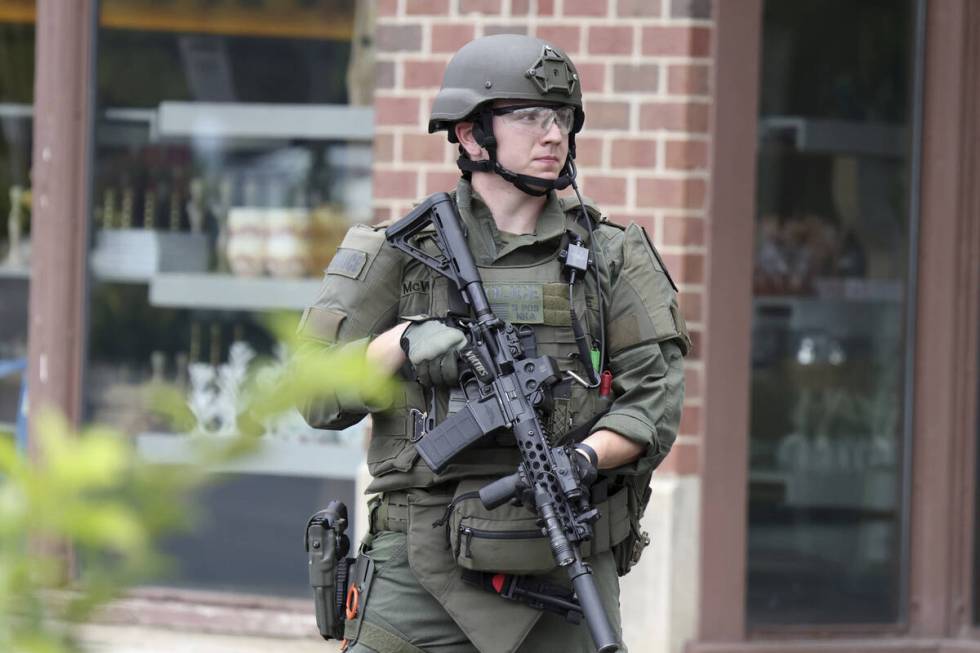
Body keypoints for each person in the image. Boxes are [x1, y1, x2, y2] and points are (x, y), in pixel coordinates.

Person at [298, 34, 690, 653]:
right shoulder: (400, 252)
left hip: (562, 555)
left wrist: (584, 458)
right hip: (418, 569)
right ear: (470, 134)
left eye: (562, 117)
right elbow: (313, 396)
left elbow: (655, 405)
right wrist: (399, 343)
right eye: (530, 116)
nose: (553, 134)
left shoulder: (612, 255)